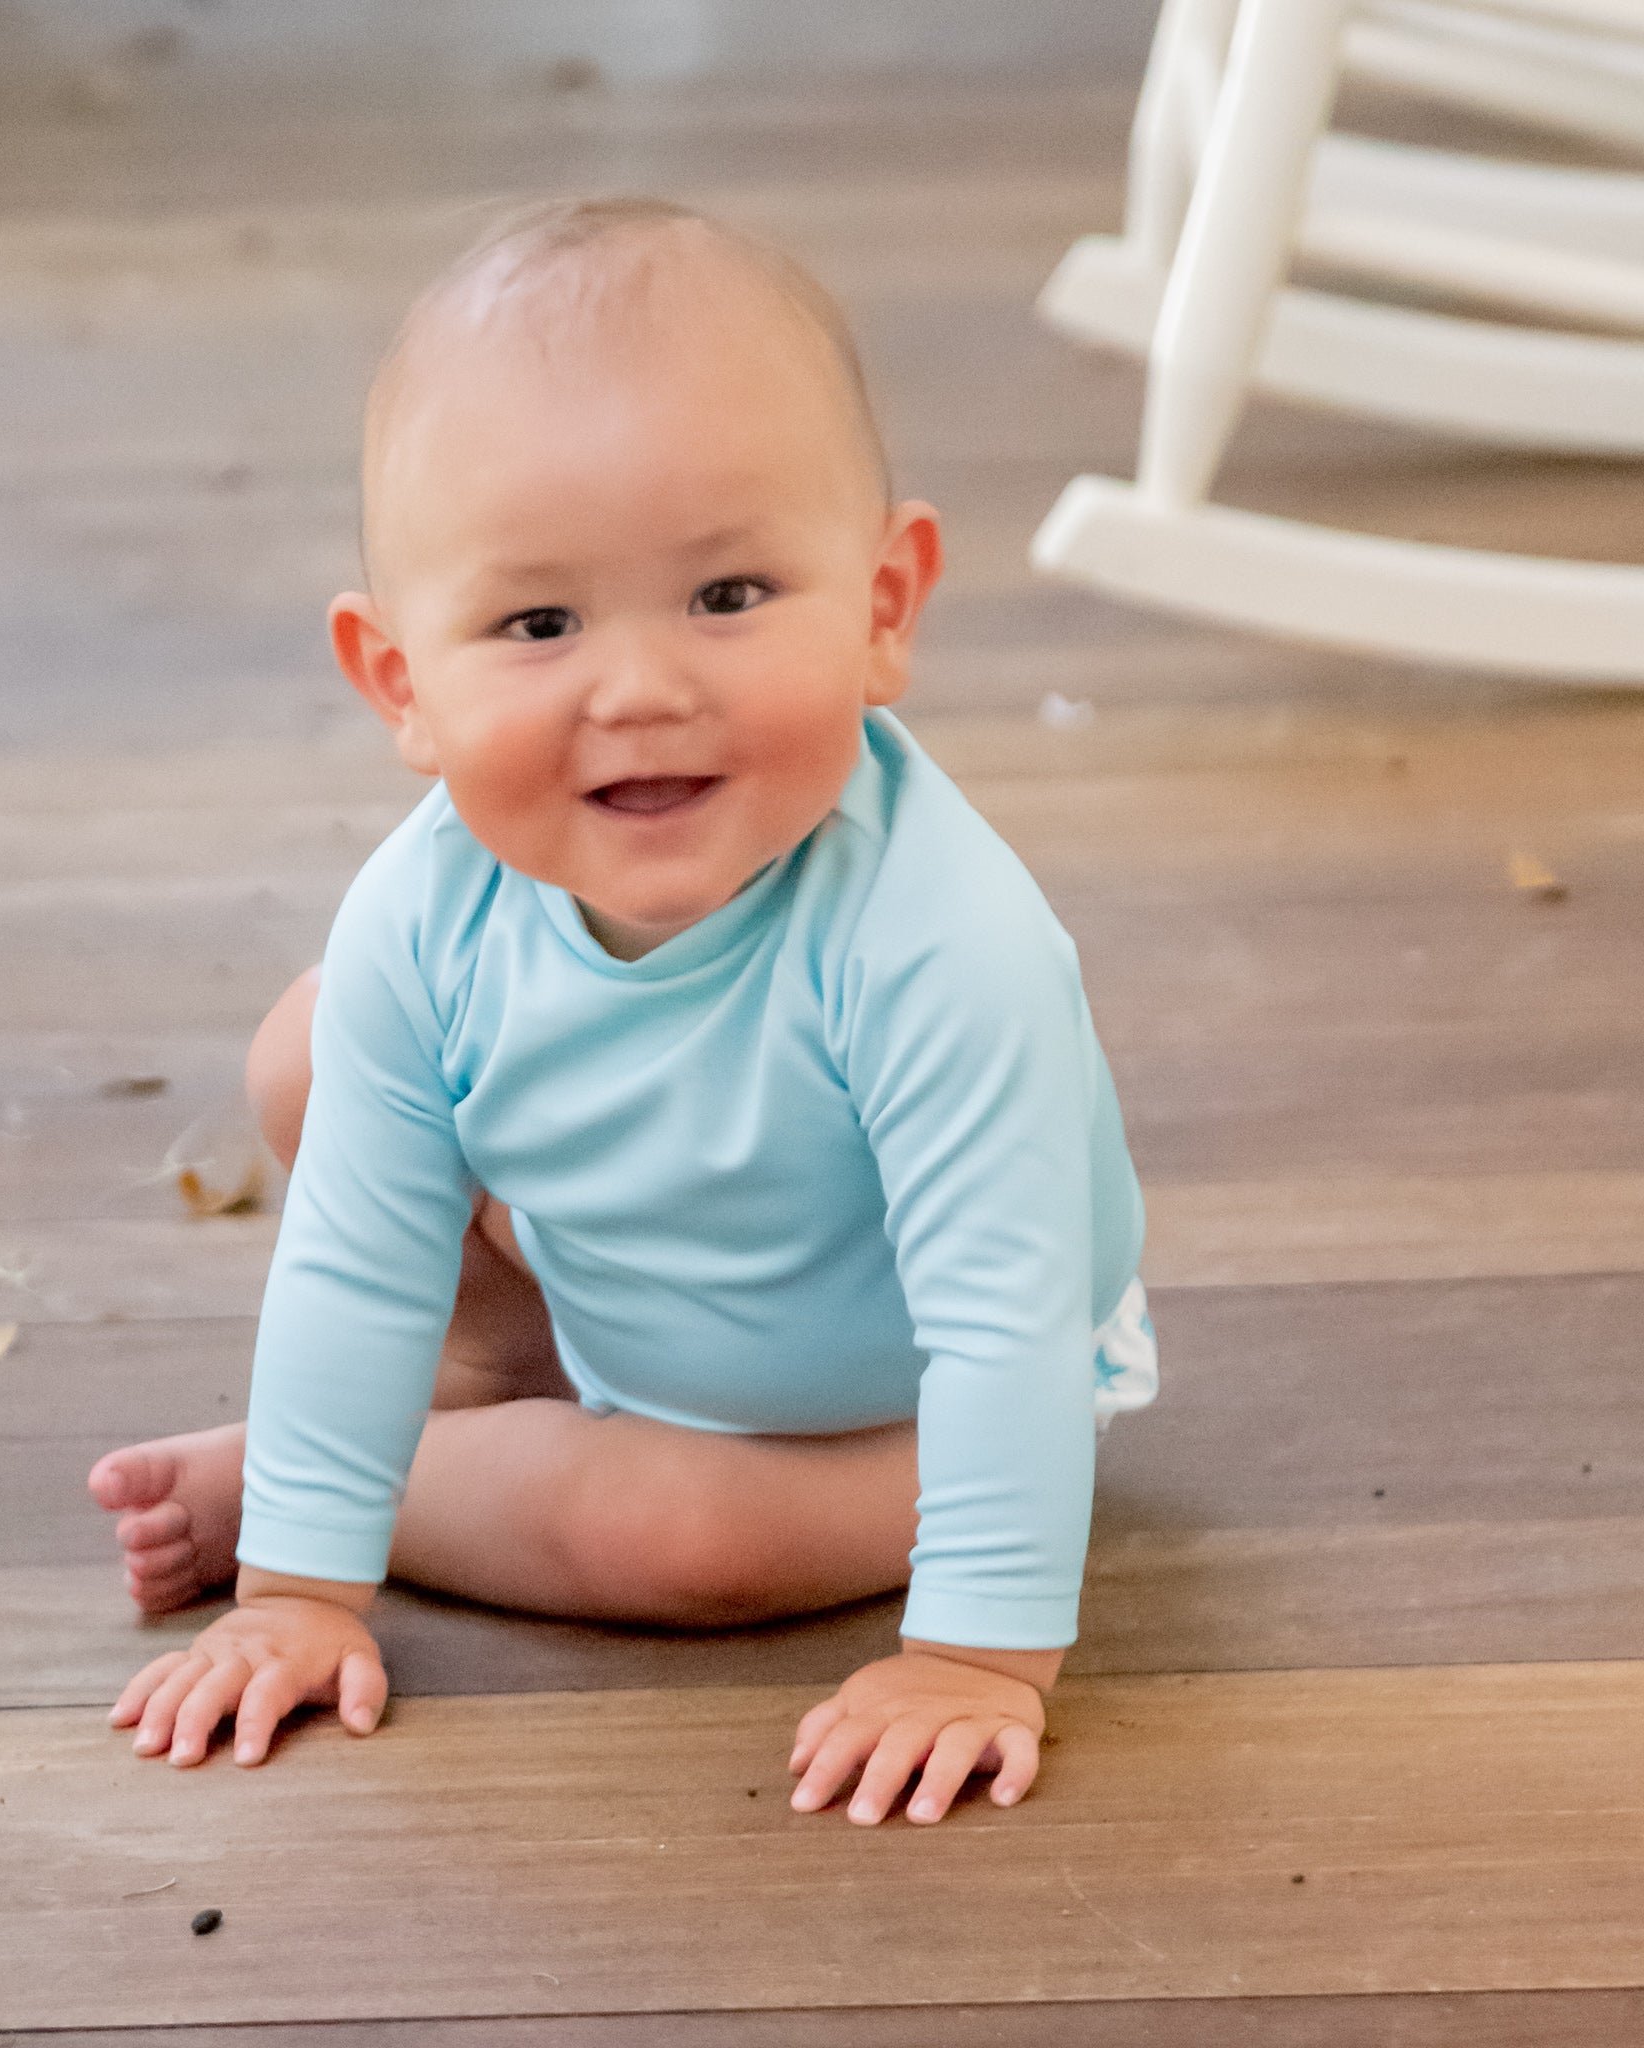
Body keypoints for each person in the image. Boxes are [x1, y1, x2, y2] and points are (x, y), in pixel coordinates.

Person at [89, 196, 1157, 1826]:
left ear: (884, 609)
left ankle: (375, 1478)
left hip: (896, 1408)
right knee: (315, 1053)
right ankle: (458, 1399)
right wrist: (299, 1601)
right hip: (632, 1275)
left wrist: (975, 1654)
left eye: (729, 595)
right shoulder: (424, 910)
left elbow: (1000, 1326)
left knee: (679, 1541)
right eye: (538, 624)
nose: (642, 686)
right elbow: (357, 1250)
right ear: (401, 687)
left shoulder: (941, 944)